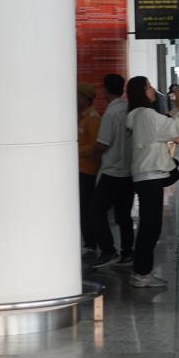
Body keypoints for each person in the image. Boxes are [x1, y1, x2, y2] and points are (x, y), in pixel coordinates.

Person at [124, 76, 179, 288]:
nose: (152, 90)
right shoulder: (147, 114)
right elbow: (176, 128)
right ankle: (142, 274)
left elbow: (163, 127)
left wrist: (173, 110)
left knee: (148, 225)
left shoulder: (136, 115)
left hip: (144, 176)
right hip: (151, 176)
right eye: (149, 86)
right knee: (151, 227)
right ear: (142, 92)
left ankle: (140, 271)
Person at [90, 74, 134, 268]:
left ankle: (108, 251)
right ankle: (127, 253)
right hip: (129, 172)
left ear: (105, 89)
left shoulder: (111, 114)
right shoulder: (129, 110)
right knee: (124, 215)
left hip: (112, 172)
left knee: (96, 210)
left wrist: (89, 154)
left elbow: (102, 144)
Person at [75, 82, 102, 261]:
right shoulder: (82, 116)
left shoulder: (92, 118)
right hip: (81, 169)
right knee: (83, 209)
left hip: (87, 171)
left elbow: (95, 146)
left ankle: (91, 244)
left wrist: (74, 150)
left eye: (77, 95)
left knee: (86, 209)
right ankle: (89, 243)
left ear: (85, 98)